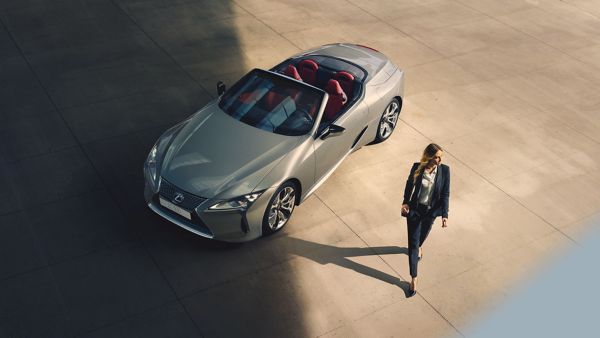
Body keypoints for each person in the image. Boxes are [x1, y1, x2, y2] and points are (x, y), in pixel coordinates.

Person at [402, 143, 450, 297]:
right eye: (436, 157)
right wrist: (405, 202)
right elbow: (409, 186)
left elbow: (445, 194)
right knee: (413, 245)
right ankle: (414, 278)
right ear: (429, 156)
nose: (438, 160)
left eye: (440, 157)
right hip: (415, 211)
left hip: (431, 213)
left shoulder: (445, 171)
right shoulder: (418, 168)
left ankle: (420, 246)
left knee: (421, 239)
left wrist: (445, 215)